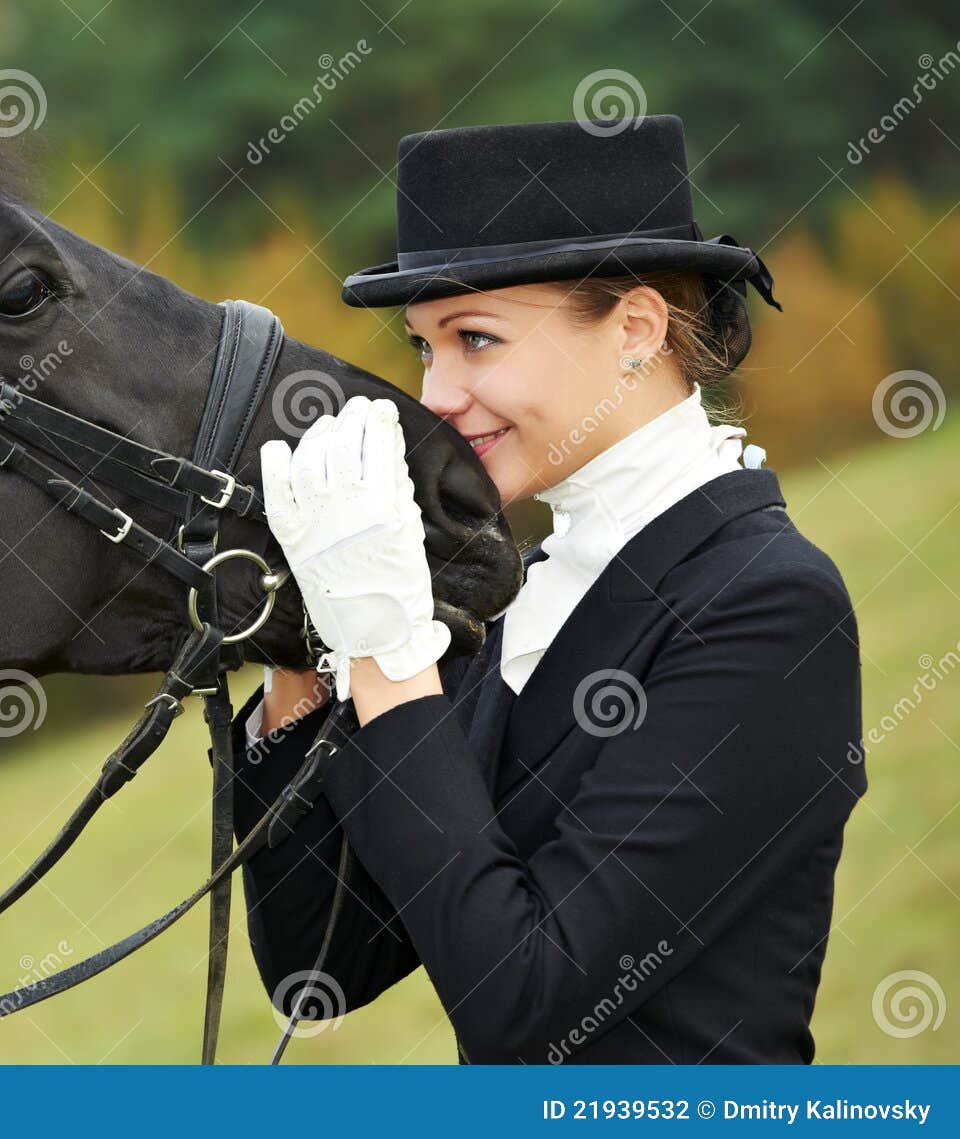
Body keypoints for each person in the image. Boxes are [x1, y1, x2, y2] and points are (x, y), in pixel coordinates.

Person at [236, 115, 865, 1063]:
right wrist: (305, 655)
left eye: (476, 339)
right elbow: (320, 967)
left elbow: (528, 1004)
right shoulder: (520, 588)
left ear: (637, 330)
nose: (437, 393)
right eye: (423, 347)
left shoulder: (769, 603)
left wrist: (386, 658)